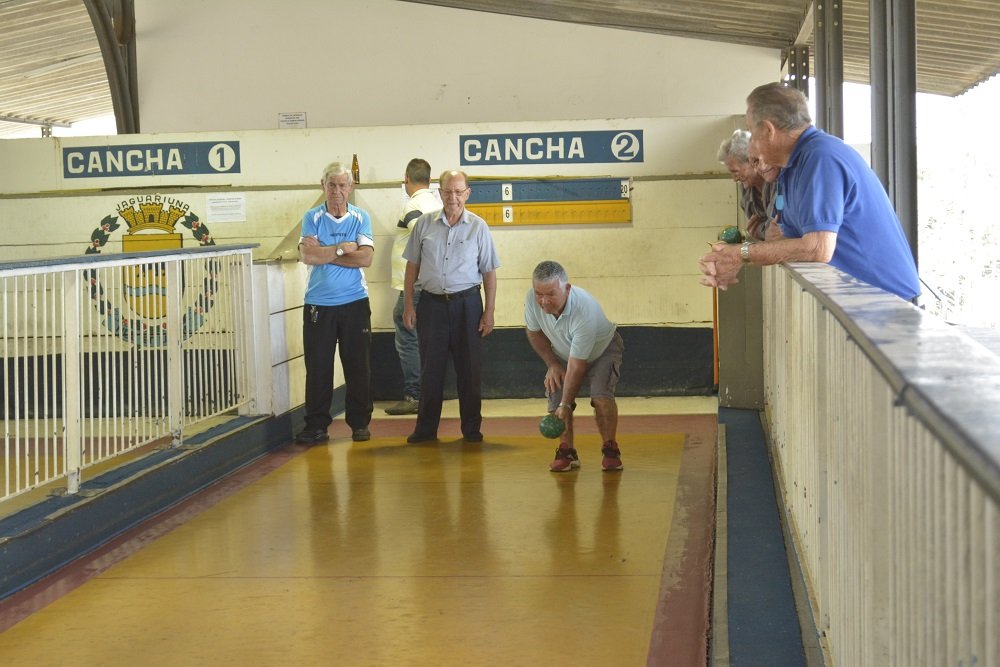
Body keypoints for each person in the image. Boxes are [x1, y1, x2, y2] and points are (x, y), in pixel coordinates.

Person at [700, 82, 921, 301]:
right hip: (859, 303)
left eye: (751, 132)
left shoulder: (820, 157)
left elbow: (816, 248)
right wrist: (737, 259)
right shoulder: (790, 168)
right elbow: (784, 239)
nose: (750, 147)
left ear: (768, 130)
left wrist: (741, 254)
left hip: (888, 304)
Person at [402, 170, 500, 444]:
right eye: (448, 191)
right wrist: (410, 304)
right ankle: (425, 430)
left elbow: (489, 272)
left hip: (467, 306)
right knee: (430, 372)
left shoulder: (478, 227)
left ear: (467, 193)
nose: (453, 197)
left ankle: (471, 430)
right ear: (439, 192)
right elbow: (412, 266)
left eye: (459, 192)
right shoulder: (424, 224)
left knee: (469, 372)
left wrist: (489, 312)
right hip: (431, 307)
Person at [295, 161, 375, 444]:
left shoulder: (361, 216)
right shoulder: (312, 217)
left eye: (342, 185)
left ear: (350, 188)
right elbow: (308, 256)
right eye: (332, 185)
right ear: (323, 186)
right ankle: (316, 426)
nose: (337, 191)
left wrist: (326, 252)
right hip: (318, 303)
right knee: (318, 367)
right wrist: (343, 248)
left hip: (354, 302)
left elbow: (365, 258)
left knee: (357, 365)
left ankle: (360, 424)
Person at [524, 260, 624, 472]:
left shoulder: (582, 309)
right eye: (538, 294)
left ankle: (610, 448)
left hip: (602, 349)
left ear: (566, 288)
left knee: (601, 398)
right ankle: (566, 451)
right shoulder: (532, 300)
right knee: (557, 393)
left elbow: (577, 367)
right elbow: (533, 332)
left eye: (551, 293)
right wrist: (552, 364)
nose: (544, 301)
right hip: (562, 352)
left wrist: (565, 405)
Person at [384, 158, 441, 415]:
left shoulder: (414, 205)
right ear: (430, 179)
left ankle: (414, 395)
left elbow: (424, 241)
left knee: (407, 337)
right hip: (429, 285)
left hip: (414, 287)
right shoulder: (438, 203)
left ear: (406, 178)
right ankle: (427, 393)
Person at [717, 129, 776, 241]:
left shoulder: (776, 182)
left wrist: (759, 230)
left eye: (735, 171)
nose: (734, 179)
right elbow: (758, 229)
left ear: (752, 161)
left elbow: (777, 230)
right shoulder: (746, 188)